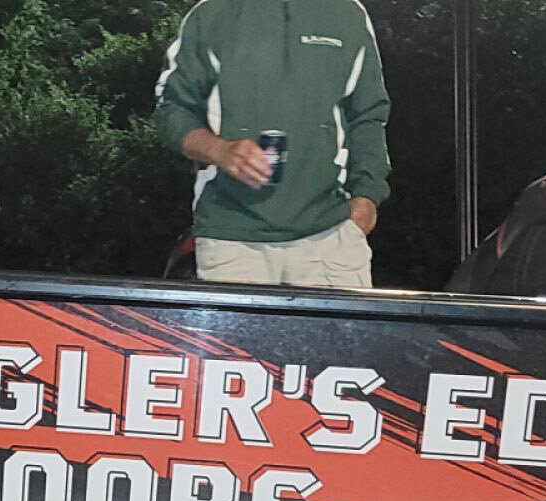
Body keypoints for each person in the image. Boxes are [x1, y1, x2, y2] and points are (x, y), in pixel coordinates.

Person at [154, 0, 391, 288]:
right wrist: (220, 150)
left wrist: (367, 196)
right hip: (231, 238)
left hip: (331, 235)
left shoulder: (347, 12)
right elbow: (172, 108)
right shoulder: (212, 12)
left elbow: (368, 115)